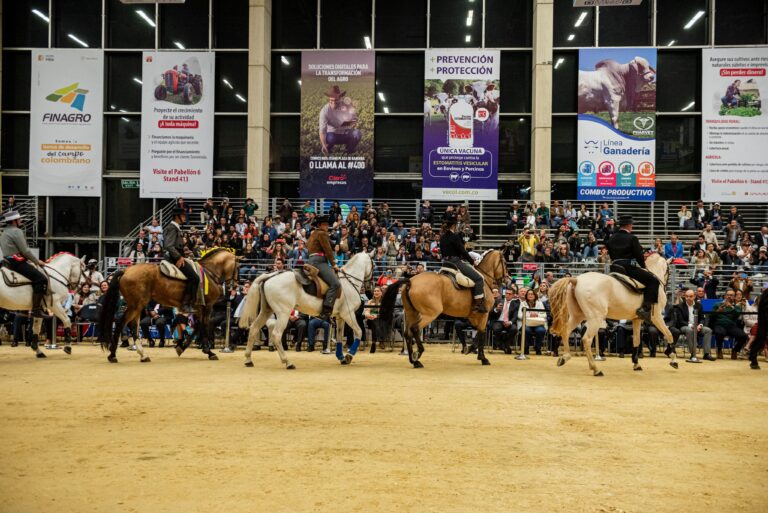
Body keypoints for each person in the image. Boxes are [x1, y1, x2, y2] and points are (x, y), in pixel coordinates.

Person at [605, 215, 659, 323]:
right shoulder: (632, 238)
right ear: (629, 225)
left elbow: (610, 253)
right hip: (628, 267)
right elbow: (638, 255)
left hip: (615, 267)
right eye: (632, 225)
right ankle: (645, 309)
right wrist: (644, 267)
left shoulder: (611, 238)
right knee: (654, 281)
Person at [0, 211, 47, 316]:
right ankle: (36, 309)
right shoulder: (17, 231)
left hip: (7, 261)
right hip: (16, 262)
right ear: (14, 221)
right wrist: (37, 261)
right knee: (41, 279)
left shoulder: (4, 232)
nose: (21, 220)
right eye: (19, 219)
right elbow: (25, 251)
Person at [439, 213, 487, 313]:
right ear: (453, 225)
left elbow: (442, 252)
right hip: (456, 262)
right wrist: (472, 261)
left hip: (445, 263)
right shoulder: (455, 236)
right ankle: (479, 305)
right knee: (479, 279)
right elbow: (463, 251)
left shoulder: (442, 237)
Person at [163, 207, 200, 312]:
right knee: (195, 278)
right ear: (177, 216)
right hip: (174, 258)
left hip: (178, 256)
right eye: (183, 215)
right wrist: (179, 257)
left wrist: (184, 251)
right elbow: (169, 246)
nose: (185, 217)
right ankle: (186, 304)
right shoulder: (172, 227)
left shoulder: (176, 227)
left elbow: (175, 245)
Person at [306, 215, 339, 321]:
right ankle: (326, 310)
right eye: (324, 224)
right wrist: (333, 264)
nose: (327, 226)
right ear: (319, 225)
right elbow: (328, 250)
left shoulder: (313, 234)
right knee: (335, 284)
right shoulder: (322, 233)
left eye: (327, 224)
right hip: (319, 261)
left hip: (311, 260)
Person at [673, 289, 715, 362]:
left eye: (690, 296)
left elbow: (702, 318)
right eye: (686, 296)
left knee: (708, 330)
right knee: (690, 330)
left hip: (697, 326)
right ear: (684, 297)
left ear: (694, 296)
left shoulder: (699, 305)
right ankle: (693, 354)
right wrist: (691, 325)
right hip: (685, 326)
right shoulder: (680, 306)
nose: (688, 298)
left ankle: (706, 354)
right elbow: (680, 321)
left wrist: (700, 325)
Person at [319, 85, 361, 155]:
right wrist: (323, 145)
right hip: (331, 134)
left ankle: (349, 150)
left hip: (345, 132)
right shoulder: (325, 111)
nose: (334, 103)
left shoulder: (347, 106)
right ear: (329, 99)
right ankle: (327, 147)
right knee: (331, 138)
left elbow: (354, 119)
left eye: (336, 100)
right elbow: (322, 131)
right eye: (331, 100)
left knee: (357, 133)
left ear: (341, 98)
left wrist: (346, 125)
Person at [710, 289, 747, 360]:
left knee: (743, 336)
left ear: (734, 297)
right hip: (719, 324)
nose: (729, 296)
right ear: (725, 296)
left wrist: (731, 307)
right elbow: (711, 317)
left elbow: (737, 315)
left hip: (731, 326)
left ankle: (735, 350)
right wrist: (718, 311)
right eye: (728, 295)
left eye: (731, 295)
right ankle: (719, 350)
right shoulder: (717, 304)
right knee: (720, 332)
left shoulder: (736, 306)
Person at [491, 288, 519, 354]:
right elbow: (491, 312)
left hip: (509, 321)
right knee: (496, 329)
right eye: (506, 293)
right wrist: (496, 309)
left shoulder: (515, 303)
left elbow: (515, 316)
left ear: (513, 295)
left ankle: (506, 344)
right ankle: (503, 345)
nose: (508, 295)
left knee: (514, 329)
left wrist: (510, 322)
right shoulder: (498, 301)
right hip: (499, 321)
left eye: (510, 294)